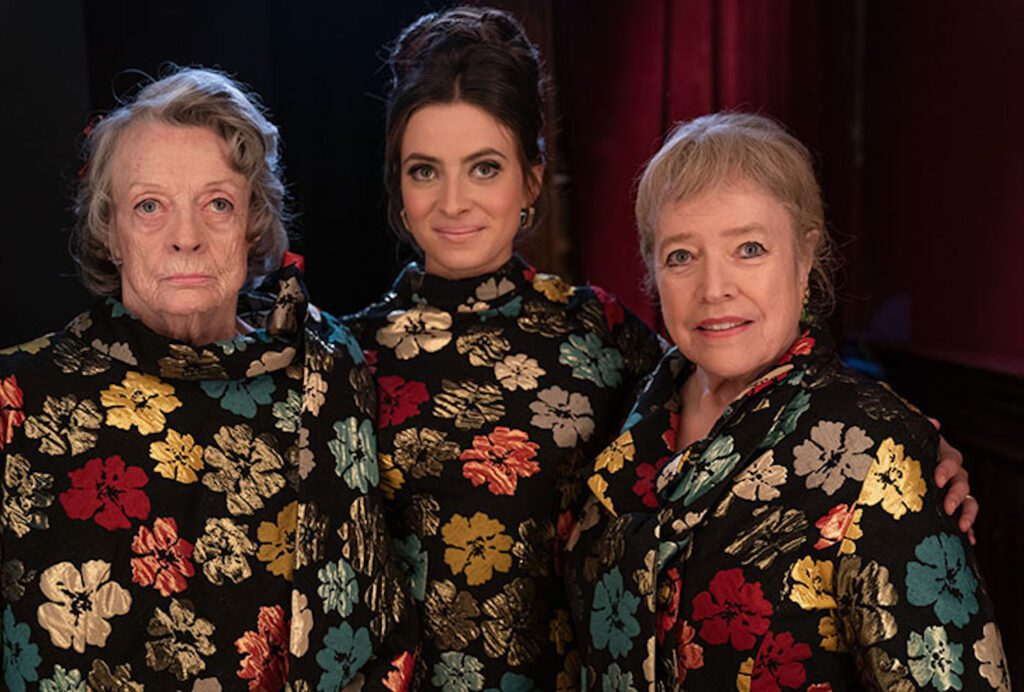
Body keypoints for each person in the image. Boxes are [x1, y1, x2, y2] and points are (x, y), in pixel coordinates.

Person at [345, 8, 976, 690]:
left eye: (484, 167)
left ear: (531, 180)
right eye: (425, 171)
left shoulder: (598, 331)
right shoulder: (346, 356)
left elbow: (754, 372)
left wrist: (912, 446)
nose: (454, 202)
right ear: (398, 186)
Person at [0, 68, 415, 691]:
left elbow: (375, 630)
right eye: (150, 207)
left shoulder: (325, 369)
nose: (186, 239)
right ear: (110, 231)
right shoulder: (18, 395)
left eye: (217, 203)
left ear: (253, 223)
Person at [565, 113, 1009, 690]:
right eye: (681, 256)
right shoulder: (629, 408)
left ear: (804, 258)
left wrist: (916, 441)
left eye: (749, 248)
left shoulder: (878, 447)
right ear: (653, 271)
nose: (714, 288)